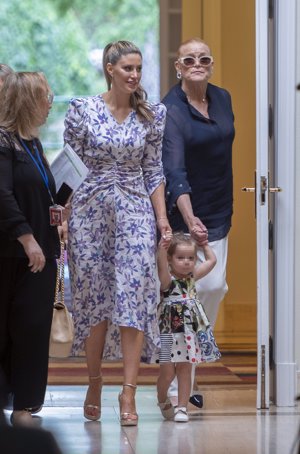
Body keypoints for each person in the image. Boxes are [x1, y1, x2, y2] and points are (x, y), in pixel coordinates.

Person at [63, 40, 171, 426]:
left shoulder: (152, 115)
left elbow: (155, 170)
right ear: (110, 68)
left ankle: (128, 394)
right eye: (127, 68)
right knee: (94, 301)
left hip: (135, 210)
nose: (135, 75)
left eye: (139, 68)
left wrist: (162, 221)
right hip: (89, 212)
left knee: (133, 298)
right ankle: (95, 381)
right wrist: (63, 213)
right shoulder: (82, 110)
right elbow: (69, 166)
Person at [161, 37, 235, 407]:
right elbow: (174, 170)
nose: (197, 63)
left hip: (220, 206)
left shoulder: (222, 99)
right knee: (180, 301)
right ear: (178, 66)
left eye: (204, 58)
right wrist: (190, 220)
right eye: (188, 59)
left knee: (214, 287)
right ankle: (178, 386)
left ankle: (191, 370)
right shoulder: (171, 109)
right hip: (183, 213)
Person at [0, 72, 64, 427]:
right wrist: (26, 238)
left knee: (32, 329)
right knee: (9, 328)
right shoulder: (3, 142)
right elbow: (3, 195)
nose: (50, 104)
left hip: (42, 249)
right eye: (45, 97)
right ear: (27, 101)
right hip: (13, 251)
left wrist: (57, 208)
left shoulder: (33, 143)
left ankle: (25, 407)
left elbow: (37, 191)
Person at [156, 232, 221, 423]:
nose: (186, 262)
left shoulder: (192, 277)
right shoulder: (167, 281)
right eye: (180, 258)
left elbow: (211, 260)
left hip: (189, 334)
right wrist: (162, 249)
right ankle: (161, 398)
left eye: (191, 258)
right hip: (169, 334)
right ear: (170, 259)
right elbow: (161, 266)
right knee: (167, 372)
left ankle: (182, 407)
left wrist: (204, 243)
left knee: (185, 369)